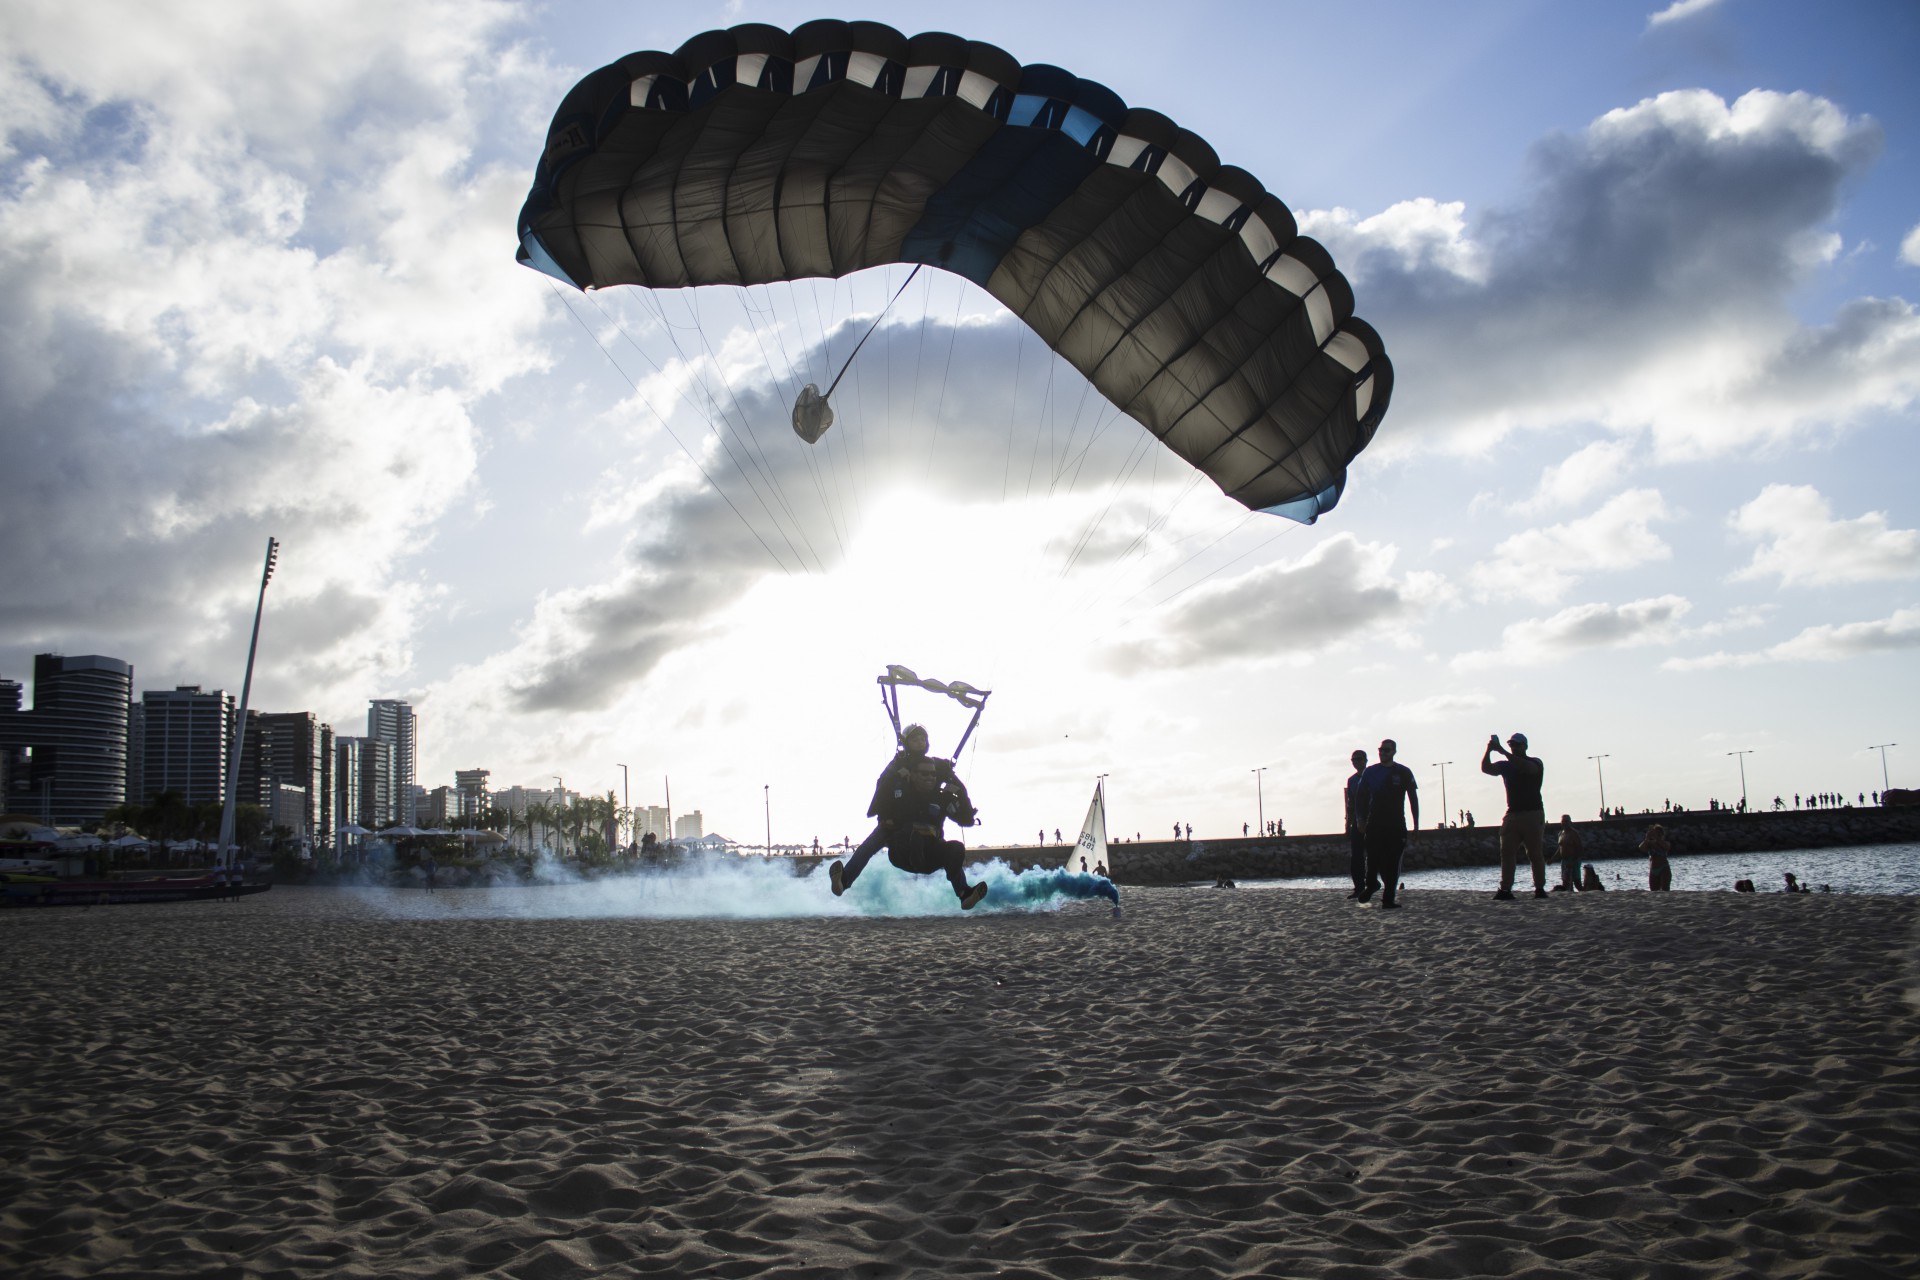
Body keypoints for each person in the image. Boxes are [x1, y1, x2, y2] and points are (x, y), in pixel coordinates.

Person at [830, 724, 988, 909]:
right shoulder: (899, 764)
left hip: (926, 838)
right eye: (915, 739)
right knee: (869, 845)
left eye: (923, 739)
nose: (920, 743)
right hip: (898, 830)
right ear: (906, 742)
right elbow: (882, 788)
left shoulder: (937, 765)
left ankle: (964, 893)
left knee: (953, 850)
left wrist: (964, 804)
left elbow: (961, 793)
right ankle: (844, 880)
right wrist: (885, 815)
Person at [1482, 732, 1547, 900]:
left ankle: (1539, 888)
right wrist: (1489, 751)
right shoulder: (1505, 765)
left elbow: (1527, 768)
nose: (1514, 747)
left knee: (1534, 853)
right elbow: (1486, 768)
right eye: (1512, 745)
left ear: (1525, 746)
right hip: (1512, 813)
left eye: (1517, 745)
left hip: (1533, 813)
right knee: (1507, 852)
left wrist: (1503, 751)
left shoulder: (1535, 762)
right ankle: (1505, 889)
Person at [1355, 739, 1418, 909]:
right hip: (1374, 823)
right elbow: (1360, 798)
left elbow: (1413, 798)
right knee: (1372, 858)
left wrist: (1416, 825)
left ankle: (1388, 899)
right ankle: (1372, 885)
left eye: (1387, 750)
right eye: (1381, 750)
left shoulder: (1404, 772)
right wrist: (1360, 819)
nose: (1383, 753)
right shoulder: (1370, 772)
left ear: (1394, 752)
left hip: (1397, 824)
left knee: (1393, 862)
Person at [1343, 749, 1369, 900]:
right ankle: (1359, 887)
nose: (1356, 762)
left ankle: (1371, 884)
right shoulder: (1351, 780)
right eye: (1354, 760)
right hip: (1357, 823)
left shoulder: (1371, 776)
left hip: (1373, 822)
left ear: (1365, 760)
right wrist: (1349, 824)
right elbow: (1350, 804)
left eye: (1359, 759)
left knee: (1374, 855)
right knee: (1356, 858)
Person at [1553, 815, 1582, 892]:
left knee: (1577, 882)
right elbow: (1560, 848)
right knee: (1565, 881)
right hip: (1564, 860)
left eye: (1566, 821)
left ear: (1570, 822)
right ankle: (1570, 893)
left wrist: (1572, 861)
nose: (1564, 823)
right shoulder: (1561, 834)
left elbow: (1579, 849)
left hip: (1573, 859)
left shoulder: (1574, 834)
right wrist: (1552, 859)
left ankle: (1584, 893)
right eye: (1563, 821)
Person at [1640, 824, 1671, 891]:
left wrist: (1657, 838)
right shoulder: (1649, 844)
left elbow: (1667, 847)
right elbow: (1641, 848)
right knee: (1654, 891)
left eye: (1658, 833)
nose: (1656, 834)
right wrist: (1646, 838)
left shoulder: (1665, 843)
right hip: (1653, 869)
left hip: (1664, 868)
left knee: (1665, 890)